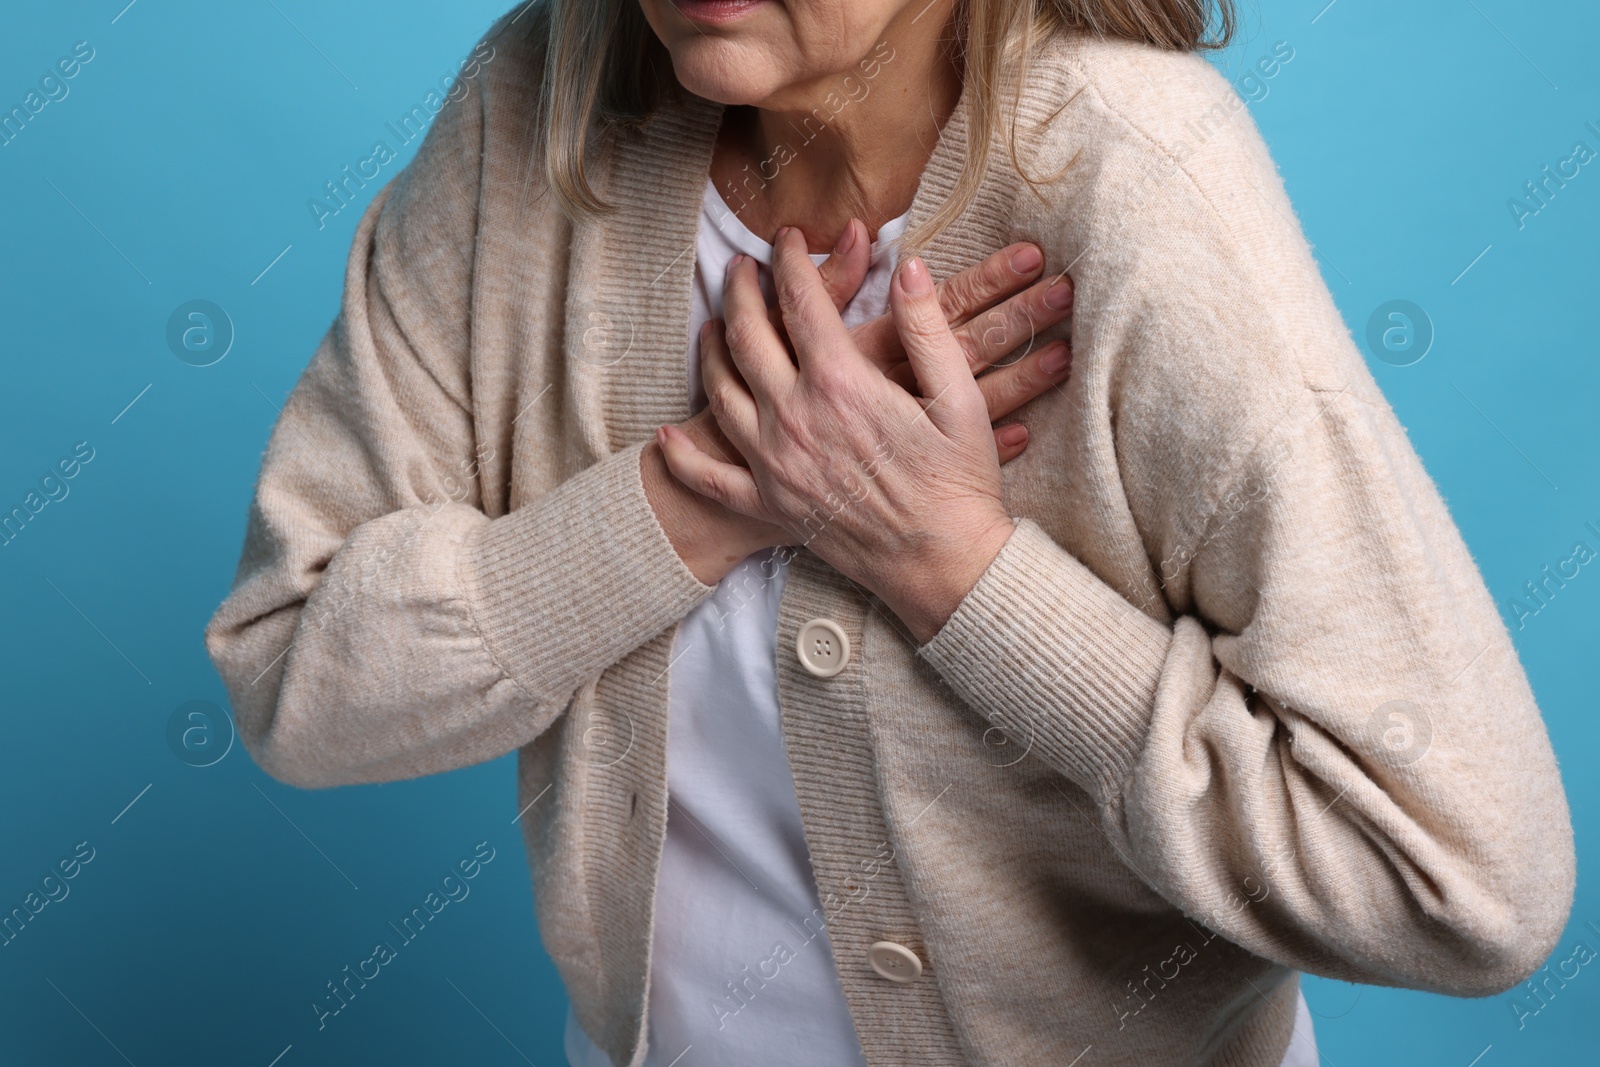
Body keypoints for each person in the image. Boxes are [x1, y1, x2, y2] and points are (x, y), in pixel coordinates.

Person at [204, 1, 1576, 1064]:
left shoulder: (1138, 174)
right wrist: (704, 492)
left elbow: (1463, 879)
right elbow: (293, 676)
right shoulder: (541, 113)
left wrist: (959, 574)